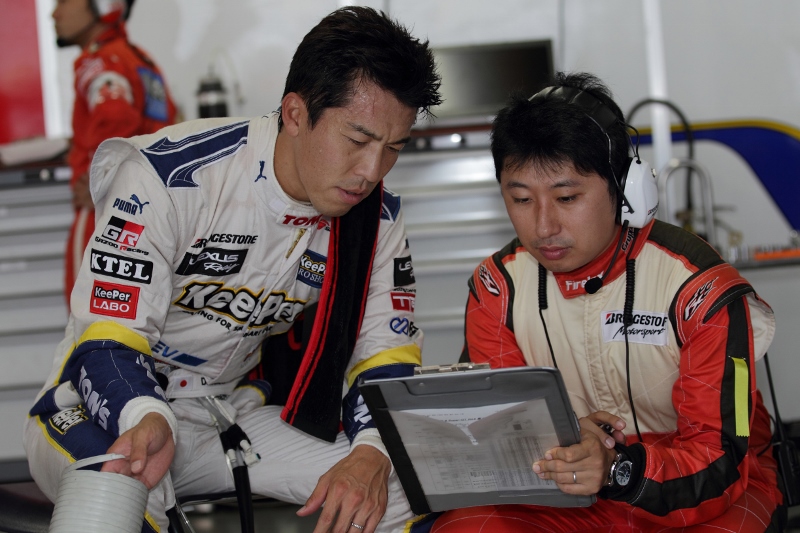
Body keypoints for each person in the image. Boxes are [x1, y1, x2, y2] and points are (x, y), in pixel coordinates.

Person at [25, 6, 441, 533]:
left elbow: (386, 354)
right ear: (295, 113)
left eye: (393, 148)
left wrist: (372, 452)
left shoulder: (375, 218)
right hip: (108, 410)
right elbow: (107, 340)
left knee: (410, 486)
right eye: (358, 141)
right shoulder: (168, 176)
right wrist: (143, 415)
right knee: (111, 499)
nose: (371, 171)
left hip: (225, 412)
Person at [430, 72, 782, 532]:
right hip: (565, 490)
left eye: (566, 197)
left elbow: (720, 462)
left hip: (711, 489)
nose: (543, 226)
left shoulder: (700, 290)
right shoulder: (497, 288)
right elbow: (501, 438)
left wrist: (618, 468)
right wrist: (567, 443)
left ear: (625, 189)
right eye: (520, 199)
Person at [53, 0, 177, 307]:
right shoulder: (139, 59)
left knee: (87, 315)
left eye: (64, 1)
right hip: (151, 213)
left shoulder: (100, 60)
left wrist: (101, 180)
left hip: (106, 214)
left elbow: (116, 117)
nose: (54, 13)